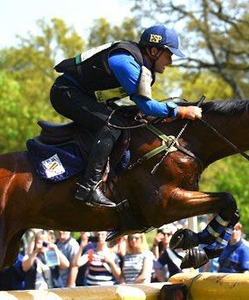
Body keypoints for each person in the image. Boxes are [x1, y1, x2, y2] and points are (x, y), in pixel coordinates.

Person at [50, 25, 202, 208]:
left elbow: (141, 107)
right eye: (169, 55)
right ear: (154, 51)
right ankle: (88, 186)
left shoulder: (142, 68)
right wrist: (181, 111)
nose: (170, 61)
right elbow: (147, 106)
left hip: (85, 95)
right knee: (112, 124)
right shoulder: (125, 63)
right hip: (65, 93)